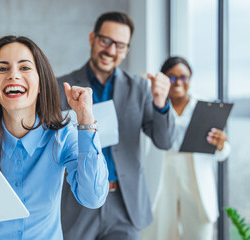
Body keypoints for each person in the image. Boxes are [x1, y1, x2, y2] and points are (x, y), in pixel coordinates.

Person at [0, 35, 109, 239]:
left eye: (24, 67)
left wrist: (86, 118)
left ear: (41, 83)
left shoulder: (63, 136)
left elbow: (93, 198)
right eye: (3, 68)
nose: (13, 75)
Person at [58, 11, 176, 239]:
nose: (111, 50)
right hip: (78, 202)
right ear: (92, 38)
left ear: (126, 50)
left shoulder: (140, 89)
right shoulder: (61, 88)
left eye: (120, 46)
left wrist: (161, 104)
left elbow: (165, 141)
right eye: (106, 41)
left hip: (125, 204)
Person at [140, 57, 231, 240]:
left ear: (190, 79)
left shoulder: (206, 107)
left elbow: (223, 153)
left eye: (183, 77)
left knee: (200, 235)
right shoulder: (152, 105)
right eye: (172, 78)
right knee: (158, 234)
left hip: (196, 181)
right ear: (164, 79)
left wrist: (221, 145)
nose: (178, 82)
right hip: (161, 177)